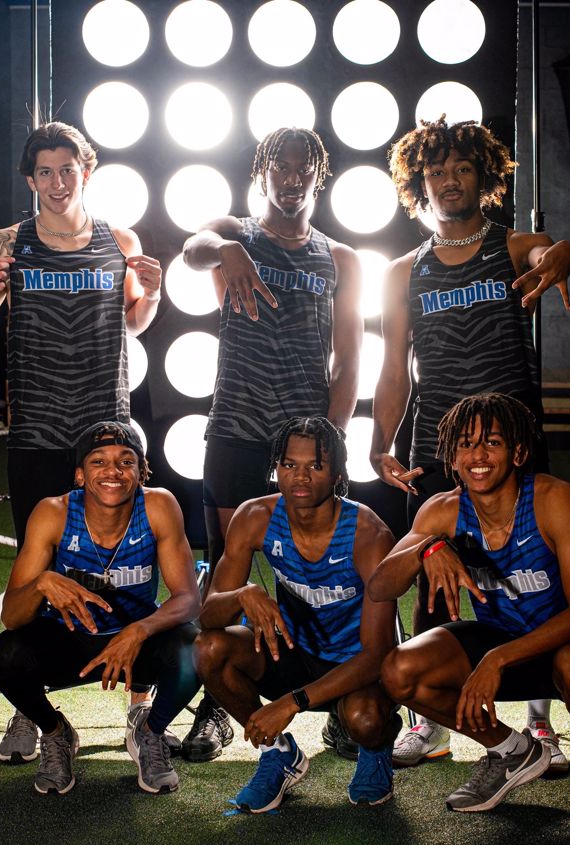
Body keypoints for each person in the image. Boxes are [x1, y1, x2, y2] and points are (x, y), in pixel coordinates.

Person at [0, 122, 187, 764]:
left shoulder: (120, 240)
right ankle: (30, 709)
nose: (57, 183)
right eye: (45, 172)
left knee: (130, 559)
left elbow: (133, 323)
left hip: (106, 430)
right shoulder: (9, 242)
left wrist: (153, 293)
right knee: (39, 568)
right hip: (37, 429)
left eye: (68, 170)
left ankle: (139, 710)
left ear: (86, 172)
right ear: (30, 179)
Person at [370, 117, 570, 769]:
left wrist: (558, 261)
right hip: (440, 448)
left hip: (514, 447)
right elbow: (394, 367)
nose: (449, 180)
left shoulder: (512, 246)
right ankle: (432, 721)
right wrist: (380, 442)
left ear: (483, 177)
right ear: (419, 184)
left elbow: (554, 253)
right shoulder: (404, 270)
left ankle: (539, 720)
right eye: (436, 171)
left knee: (534, 574)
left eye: (462, 168)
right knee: (436, 576)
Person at [183, 126, 363, 760]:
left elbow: (348, 362)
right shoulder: (234, 232)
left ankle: (342, 699)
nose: (292, 179)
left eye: (303, 169)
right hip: (236, 427)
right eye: (280, 168)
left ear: (319, 176)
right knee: (226, 570)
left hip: (304, 443)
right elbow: (194, 248)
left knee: (317, 568)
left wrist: (331, 441)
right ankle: (215, 707)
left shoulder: (339, 258)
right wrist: (229, 251)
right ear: (262, 173)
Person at [370, 394, 570, 837]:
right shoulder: (443, 509)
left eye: (492, 443)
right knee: (400, 672)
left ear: (518, 452)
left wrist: (497, 659)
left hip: (564, 644)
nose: (477, 456)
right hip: (498, 636)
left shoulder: (554, 499)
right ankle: (512, 751)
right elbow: (381, 587)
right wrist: (427, 547)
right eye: (466, 444)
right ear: (452, 457)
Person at [194, 417, 400, 813]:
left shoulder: (369, 534)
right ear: (276, 467)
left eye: (315, 466)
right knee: (209, 649)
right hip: (293, 652)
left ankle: (376, 751)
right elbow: (208, 618)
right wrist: (242, 595)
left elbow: (378, 654)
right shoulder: (255, 517)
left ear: (337, 473)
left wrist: (292, 702)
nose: (300, 477)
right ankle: (278, 754)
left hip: (355, 665)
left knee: (366, 720)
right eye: (289, 464)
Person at [0, 421, 202, 796]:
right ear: (80, 474)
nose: (112, 472)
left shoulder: (158, 506)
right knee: (7, 653)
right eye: (99, 461)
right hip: (69, 640)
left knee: (196, 649)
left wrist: (140, 630)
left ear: (141, 471)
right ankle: (55, 732)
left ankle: (149, 732)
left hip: (133, 643)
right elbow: (12, 616)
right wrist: (41, 584)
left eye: (125, 461)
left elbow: (188, 598)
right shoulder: (53, 513)